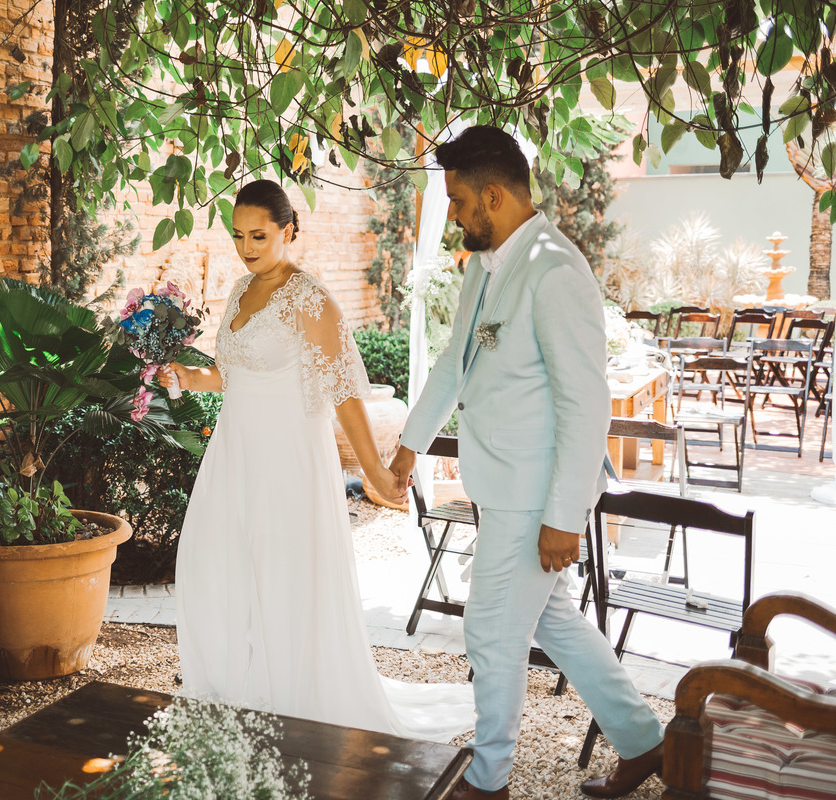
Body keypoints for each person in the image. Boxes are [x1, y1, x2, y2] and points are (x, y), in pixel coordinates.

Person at [385, 126, 664, 800]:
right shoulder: (485, 267)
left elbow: (584, 405)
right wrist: (407, 448)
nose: (454, 215)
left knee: (490, 632)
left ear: (493, 196)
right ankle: (646, 742)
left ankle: (489, 781)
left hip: (535, 495)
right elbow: (456, 364)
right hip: (500, 483)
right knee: (552, 620)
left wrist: (564, 517)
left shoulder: (555, 271)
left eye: (458, 201)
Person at [159, 179, 475, 743]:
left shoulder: (311, 298)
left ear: (288, 231)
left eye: (258, 236)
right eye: (238, 236)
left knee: (283, 577)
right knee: (211, 564)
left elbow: (344, 392)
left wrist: (377, 472)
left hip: (288, 463)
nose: (247, 247)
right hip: (232, 457)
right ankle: (234, 692)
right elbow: (230, 374)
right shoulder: (240, 290)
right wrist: (188, 376)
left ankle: (291, 700)